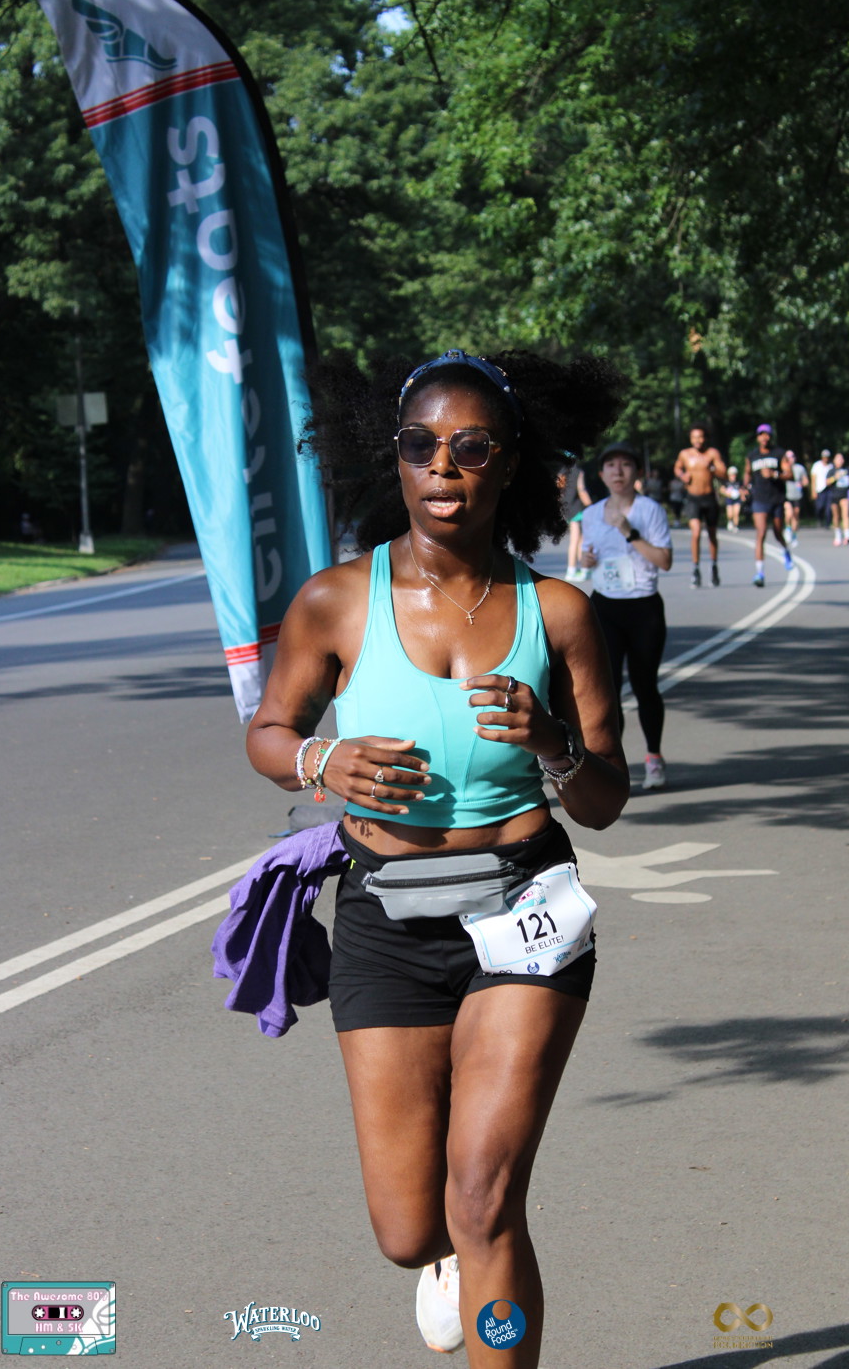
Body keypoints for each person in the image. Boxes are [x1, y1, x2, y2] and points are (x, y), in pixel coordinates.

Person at [246, 347, 629, 1366]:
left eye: (471, 447)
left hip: (523, 909)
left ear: (512, 464)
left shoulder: (559, 613)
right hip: (386, 917)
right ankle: (446, 1255)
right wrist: (322, 758)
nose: (444, 466)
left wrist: (553, 743)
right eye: (421, 444)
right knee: (410, 1228)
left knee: (485, 1197)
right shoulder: (335, 602)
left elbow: (604, 800)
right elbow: (269, 732)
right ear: (396, 458)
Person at [579, 441, 673, 790]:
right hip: (605, 606)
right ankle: (612, 765)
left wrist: (629, 532)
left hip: (643, 607)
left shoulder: (650, 510)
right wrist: (587, 561)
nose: (618, 471)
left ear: (637, 473)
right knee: (607, 690)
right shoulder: (591, 514)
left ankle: (654, 758)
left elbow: (664, 561)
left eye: (625, 465)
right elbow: (589, 557)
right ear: (602, 474)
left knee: (645, 685)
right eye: (611, 465)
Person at [673, 422, 727, 588]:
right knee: (695, 533)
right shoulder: (685, 454)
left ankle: (714, 566)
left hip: (709, 498)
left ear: (705, 438)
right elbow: (677, 468)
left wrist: (713, 468)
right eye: (694, 437)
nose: (697, 440)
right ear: (690, 439)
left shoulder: (712, 453)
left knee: (712, 534)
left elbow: (723, 472)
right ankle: (695, 569)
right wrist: (682, 476)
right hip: (693, 498)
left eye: (700, 437)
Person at [743, 423, 794, 586]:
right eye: (761, 434)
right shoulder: (752, 455)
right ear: (758, 437)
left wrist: (774, 474)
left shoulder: (779, 453)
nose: (764, 437)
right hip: (759, 499)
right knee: (761, 533)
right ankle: (760, 573)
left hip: (777, 499)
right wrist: (745, 488)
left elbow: (790, 474)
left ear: (771, 436)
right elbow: (747, 474)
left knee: (778, 532)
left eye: (767, 434)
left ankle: (785, 551)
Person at [826, 451, 849, 545]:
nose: (840, 460)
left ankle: (847, 535)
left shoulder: (847, 470)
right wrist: (835, 477)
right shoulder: (831, 471)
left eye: (841, 458)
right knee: (836, 516)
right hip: (834, 495)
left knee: (845, 514)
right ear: (834, 460)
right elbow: (827, 482)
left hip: (845, 495)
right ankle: (838, 535)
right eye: (838, 459)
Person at [783, 450, 809, 547]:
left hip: (797, 495)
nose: (791, 459)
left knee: (796, 515)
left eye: (792, 456)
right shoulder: (784, 468)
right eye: (788, 457)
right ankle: (787, 529)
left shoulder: (800, 468)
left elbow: (806, 481)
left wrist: (801, 484)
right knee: (789, 513)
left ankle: (793, 535)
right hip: (787, 495)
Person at [810, 449, 833, 528]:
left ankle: (827, 523)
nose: (826, 458)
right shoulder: (817, 465)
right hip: (819, 489)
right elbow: (813, 479)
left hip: (829, 489)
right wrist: (813, 490)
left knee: (828, 508)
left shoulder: (831, 466)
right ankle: (819, 519)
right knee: (819, 506)